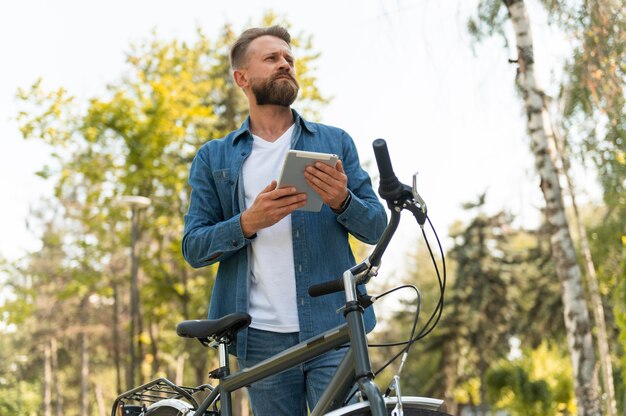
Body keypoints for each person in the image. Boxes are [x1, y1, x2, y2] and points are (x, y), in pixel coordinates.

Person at [182, 25, 387, 415]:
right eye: (272, 59)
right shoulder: (214, 157)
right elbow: (193, 246)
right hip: (259, 337)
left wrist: (343, 200)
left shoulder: (334, 142)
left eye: (289, 59)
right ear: (242, 78)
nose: (285, 65)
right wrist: (247, 222)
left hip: (335, 327)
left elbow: (375, 226)